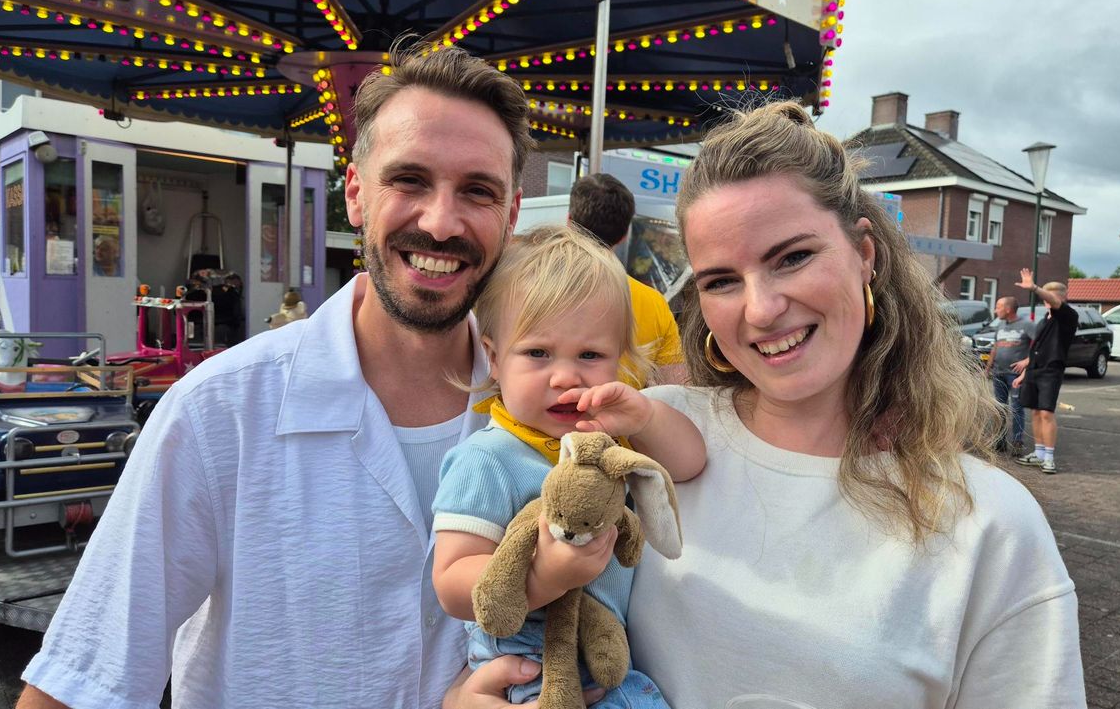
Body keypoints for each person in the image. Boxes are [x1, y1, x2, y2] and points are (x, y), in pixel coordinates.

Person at [453, 101, 1086, 709]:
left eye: (793, 257)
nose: (760, 310)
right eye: (722, 281)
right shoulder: (647, 434)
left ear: (865, 255)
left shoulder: (988, 524)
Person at [16, 44, 535, 709]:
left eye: (477, 191)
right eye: (409, 180)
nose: (440, 221)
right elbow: (80, 683)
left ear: (512, 214)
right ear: (355, 194)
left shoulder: (551, 419)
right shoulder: (219, 413)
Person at [432, 226, 705, 707]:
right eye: (538, 353)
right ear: (494, 358)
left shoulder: (609, 440)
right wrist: (547, 574)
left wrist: (644, 414)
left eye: (590, 355)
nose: (565, 376)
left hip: (611, 670)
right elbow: (451, 583)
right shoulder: (489, 459)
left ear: (619, 361)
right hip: (528, 677)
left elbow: (689, 462)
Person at [568, 173, 685, 386]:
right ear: (624, 235)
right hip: (621, 417)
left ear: (569, 222)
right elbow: (675, 385)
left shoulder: (530, 287)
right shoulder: (654, 303)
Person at [1012, 271, 1078, 474]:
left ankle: (1049, 457)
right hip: (1034, 371)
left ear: (1061, 298)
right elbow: (1036, 350)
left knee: (1047, 413)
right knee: (1035, 412)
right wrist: (1025, 372)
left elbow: (1054, 301)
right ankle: (1038, 453)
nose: (1046, 301)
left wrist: (1033, 288)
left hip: (1051, 371)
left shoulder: (1068, 316)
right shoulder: (1044, 321)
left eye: (1048, 297)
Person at [988, 295, 1037, 455]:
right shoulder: (1000, 325)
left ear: (1008, 309)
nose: (995, 310)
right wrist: (988, 367)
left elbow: (1041, 346)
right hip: (999, 373)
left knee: (1016, 408)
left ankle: (1017, 442)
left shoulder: (1027, 325)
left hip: (1015, 375)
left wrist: (1027, 362)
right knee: (1000, 407)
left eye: (998, 307)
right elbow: (995, 347)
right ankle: (1000, 441)